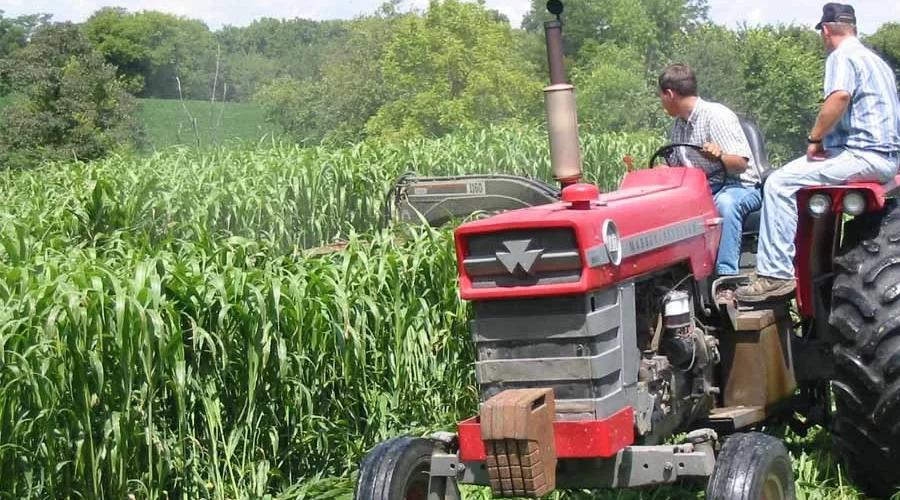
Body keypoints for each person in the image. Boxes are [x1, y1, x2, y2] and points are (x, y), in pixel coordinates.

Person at [736, 3, 900, 303]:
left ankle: (775, 274)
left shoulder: (842, 56)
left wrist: (815, 138)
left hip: (862, 155)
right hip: (887, 160)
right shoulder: (877, 63)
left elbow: (839, 97)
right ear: (853, 27)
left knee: (779, 182)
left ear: (826, 31)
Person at [657, 63, 762, 300]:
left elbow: (741, 164)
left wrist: (719, 156)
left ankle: (726, 281)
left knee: (724, 205)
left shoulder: (716, 116)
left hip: (739, 186)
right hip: (702, 190)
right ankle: (676, 279)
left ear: (670, 94)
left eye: (661, 96)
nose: (661, 102)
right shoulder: (679, 125)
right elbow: (677, 165)